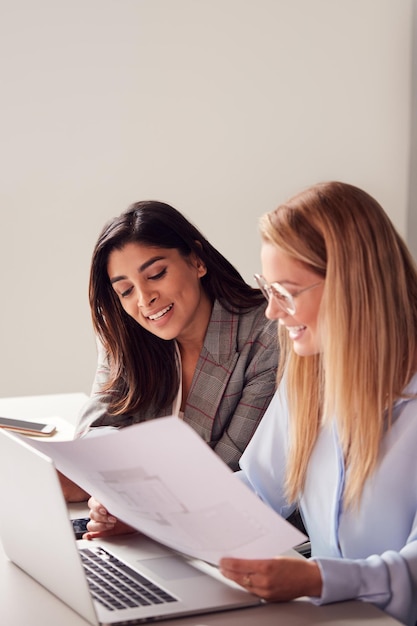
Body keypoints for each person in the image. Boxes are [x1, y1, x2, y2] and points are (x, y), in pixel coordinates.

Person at [216, 182, 417, 626]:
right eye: (267, 289)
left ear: (353, 286)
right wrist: (151, 515)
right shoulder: (309, 378)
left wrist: (316, 580)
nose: (271, 312)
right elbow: (257, 489)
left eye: (285, 292)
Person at [60, 200, 278, 503]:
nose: (144, 299)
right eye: (126, 290)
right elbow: (96, 432)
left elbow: (227, 468)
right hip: (150, 525)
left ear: (197, 261)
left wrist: (128, 496)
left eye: (156, 274)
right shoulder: (124, 333)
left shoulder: (268, 337)